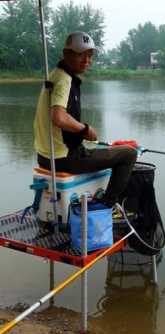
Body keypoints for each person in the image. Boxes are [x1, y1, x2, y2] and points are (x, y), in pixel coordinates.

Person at [34, 31, 137, 207]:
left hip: (44, 157)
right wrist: (85, 129)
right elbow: (58, 117)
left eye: (89, 55)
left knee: (99, 150)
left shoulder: (54, 75)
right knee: (129, 153)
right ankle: (107, 206)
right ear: (66, 54)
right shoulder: (64, 80)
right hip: (64, 158)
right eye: (81, 54)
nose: (86, 60)